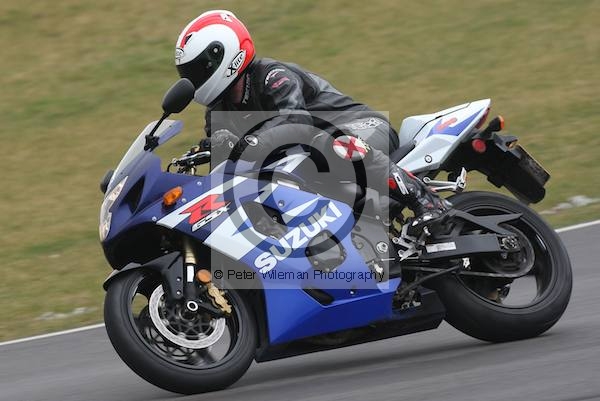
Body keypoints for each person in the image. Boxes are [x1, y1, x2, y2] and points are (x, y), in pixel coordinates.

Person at [174, 9, 448, 234]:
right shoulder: (217, 111)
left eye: (198, 70)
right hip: (310, 156)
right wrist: (210, 150)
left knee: (334, 145)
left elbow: (295, 121)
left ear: (225, 56)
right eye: (187, 74)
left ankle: (425, 200)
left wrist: (246, 142)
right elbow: (230, 160)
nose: (193, 80)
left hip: (361, 127)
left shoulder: (271, 76)